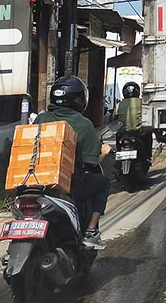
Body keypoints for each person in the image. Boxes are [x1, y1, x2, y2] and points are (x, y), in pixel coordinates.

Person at [36, 75, 110, 250]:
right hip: (71, 185)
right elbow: (91, 163)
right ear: (79, 99)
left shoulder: (41, 119)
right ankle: (90, 230)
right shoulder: (83, 124)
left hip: (36, 183)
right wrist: (104, 154)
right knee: (103, 183)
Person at [115, 81, 152, 159]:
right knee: (148, 133)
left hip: (123, 133)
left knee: (117, 136)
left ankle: (118, 152)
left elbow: (113, 118)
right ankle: (148, 157)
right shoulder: (142, 103)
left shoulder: (119, 104)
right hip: (138, 132)